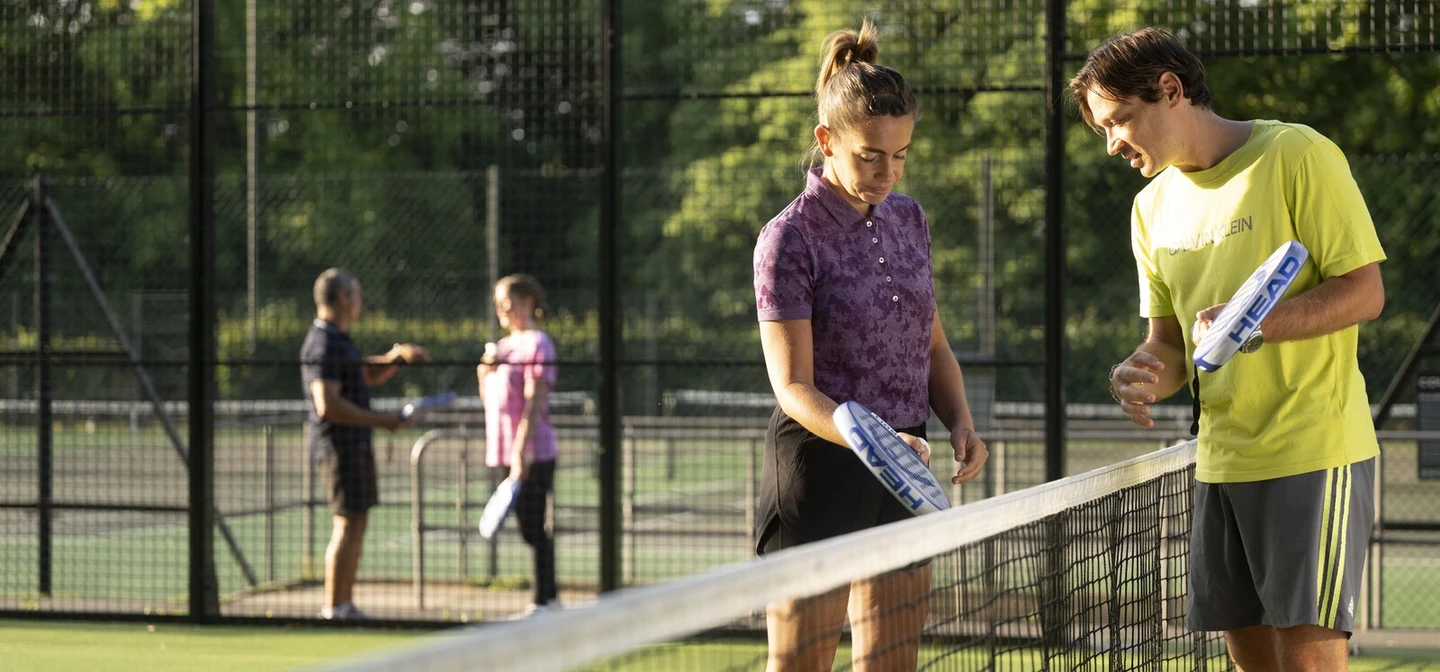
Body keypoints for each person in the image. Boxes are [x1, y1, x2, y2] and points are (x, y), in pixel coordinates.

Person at [1072, 27, 1386, 671]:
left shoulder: (1298, 153)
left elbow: (1364, 292)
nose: (1112, 144)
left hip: (1313, 451)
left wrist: (1258, 324)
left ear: (1169, 90)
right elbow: (1170, 347)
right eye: (1103, 129)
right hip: (1219, 464)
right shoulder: (1148, 209)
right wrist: (1141, 374)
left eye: (1120, 120)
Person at [752, 20, 990, 672]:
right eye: (870, 155)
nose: (889, 171)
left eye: (902, 154)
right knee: (801, 664)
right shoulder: (787, 238)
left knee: (892, 663)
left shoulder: (910, 218)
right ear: (827, 141)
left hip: (905, 467)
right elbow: (793, 387)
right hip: (820, 468)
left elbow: (931, 343)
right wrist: (871, 439)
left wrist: (960, 420)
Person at [300, 268, 430, 620]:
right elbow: (328, 404)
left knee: (357, 521)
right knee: (345, 522)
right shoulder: (322, 343)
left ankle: (345, 604)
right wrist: (383, 421)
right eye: (356, 296)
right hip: (338, 447)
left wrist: (396, 357)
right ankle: (333, 608)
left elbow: (363, 374)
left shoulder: (340, 341)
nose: (360, 303)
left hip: (355, 446)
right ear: (343, 299)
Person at [478, 273, 560, 616]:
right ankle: (547, 599)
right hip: (500, 451)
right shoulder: (502, 347)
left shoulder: (537, 344)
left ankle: (544, 601)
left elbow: (533, 401)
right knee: (527, 527)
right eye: (497, 302)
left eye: (506, 302)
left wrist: (519, 452)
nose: (500, 308)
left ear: (526, 302)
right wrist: (485, 370)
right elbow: (489, 401)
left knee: (532, 525)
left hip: (532, 452)